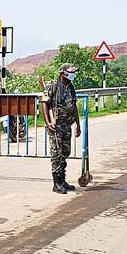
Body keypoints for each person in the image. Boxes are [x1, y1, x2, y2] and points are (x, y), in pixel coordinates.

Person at [41, 62, 82, 194]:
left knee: (65, 152)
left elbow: (74, 106)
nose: (73, 75)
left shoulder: (70, 86)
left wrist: (78, 125)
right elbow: (45, 104)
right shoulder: (53, 86)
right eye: (71, 72)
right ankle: (56, 183)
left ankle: (62, 180)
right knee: (56, 154)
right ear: (63, 73)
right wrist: (48, 123)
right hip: (55, 126)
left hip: (67, 125)